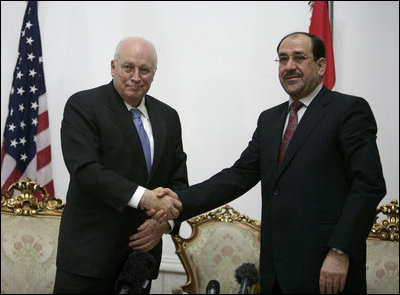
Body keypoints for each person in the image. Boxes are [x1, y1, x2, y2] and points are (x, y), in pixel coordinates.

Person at [155, 32, 386, 294]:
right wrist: (178, 202)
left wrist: (340, 250)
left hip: (327, 268)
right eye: (283, 59)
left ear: (320, 65)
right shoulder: (270, 120)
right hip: (275, 269)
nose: (289, 66)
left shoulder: (348, 111)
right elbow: (238, 175)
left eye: (299, 58)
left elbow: (369, 185)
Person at [54, 37, 188, 294]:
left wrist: (165, 223)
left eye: (145, 70)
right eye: (128, 67)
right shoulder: (84, 106)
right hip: (89, 260)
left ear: (154, 73)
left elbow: (178, 181)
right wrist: (145, 198)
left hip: (139, 263)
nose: (136, 77)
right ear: (113, 67)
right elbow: (86, 170)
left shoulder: (168, 117)